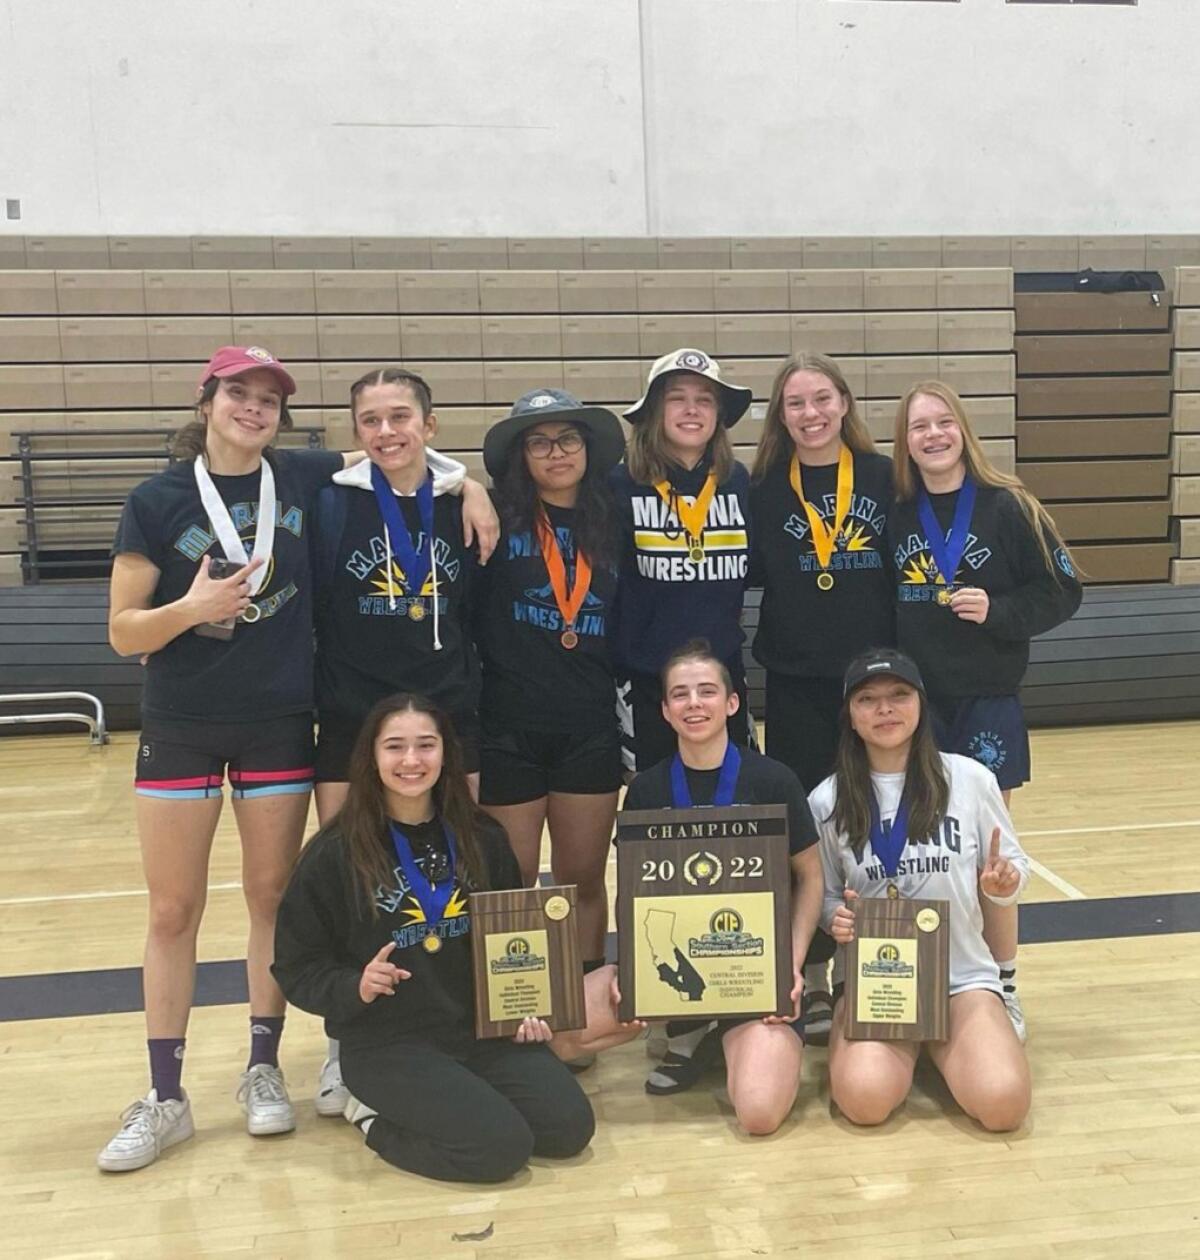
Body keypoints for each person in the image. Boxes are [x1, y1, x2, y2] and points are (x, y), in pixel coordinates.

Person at [98, 347, 496, 1172]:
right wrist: (190, 606)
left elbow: (403, 453)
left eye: (267, 398)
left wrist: (475, 485)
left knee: (274, 899)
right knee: (173, 912)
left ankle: (262, 1068)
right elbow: (123, 631)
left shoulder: (308, 476)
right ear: (206, 400)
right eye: (237, 394)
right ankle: (165, 1095)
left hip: (281, 721)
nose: (253, 409)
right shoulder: (155, 498)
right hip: (180, 722)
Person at [271, 693, 595, 1182]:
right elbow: (296, 966)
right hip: (388, 1044)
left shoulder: (482, 837)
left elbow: (517, 937)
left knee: (570, 1130)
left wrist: (527, 1004)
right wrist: (354, 985)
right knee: (499, 1152)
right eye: (395, 747)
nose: (410, 760)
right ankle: (373, 1119)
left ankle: (463, 1100)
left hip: (478, 1032)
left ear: (445, 755)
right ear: (371, 757)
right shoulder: (334, 854)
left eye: (426, 745)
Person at [308, 366, 493, 1114]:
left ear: (430, 425)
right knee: (353, 886)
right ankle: (344, 1046)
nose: (387, 432)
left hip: (448, 716)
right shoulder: (330, 503)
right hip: (354, 717)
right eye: (371, 420)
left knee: (457, 871)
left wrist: (468, 483)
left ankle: (454, 1027)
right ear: (356, 433)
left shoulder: (460, 503)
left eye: (400, 417)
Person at [890, 380, 1081, 1040]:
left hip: (986, 701)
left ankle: (1000, 981)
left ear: (963, 429)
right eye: (919, 426)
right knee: (919, 852)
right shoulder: (896, 513)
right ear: (905, 441)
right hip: (914, 708)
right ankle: (923, 979)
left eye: (943, 421)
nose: (933, 434)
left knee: (988, 858)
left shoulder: (1007, 506)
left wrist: (998, 613)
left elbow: (1063, 591)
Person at [813, 648, 1032, 1132]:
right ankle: (922, 1046)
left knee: (1003, 1107)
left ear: (921, 705)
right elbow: (823, 895)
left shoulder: (971, 779)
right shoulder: (827, 799)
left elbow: (1012, 865)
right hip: (878, 980)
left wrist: (1003, 883)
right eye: (867, 699)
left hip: (959, 978)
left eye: (898, 695)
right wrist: (835, 918)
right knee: (865, 1103)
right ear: (850, 716)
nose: (885, 708)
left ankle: (943, 1041)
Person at [621, 640, 828, 1134]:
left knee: (758, 1114)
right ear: (666, 710)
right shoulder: (646, 790)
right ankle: (688, 1032)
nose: (694, 703)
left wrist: (791, 966)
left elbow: (812, 878)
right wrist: (636, 973)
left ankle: (728, 1034)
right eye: (680, 694)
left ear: (732, 704)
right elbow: (632, 894)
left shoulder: (774, 779)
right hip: (683, 968)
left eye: (707, 691)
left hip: (754, 971)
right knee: (578, 1025)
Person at [749, 352, 894, 1036]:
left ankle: (866, 966)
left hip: (873, 688)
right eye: (795, 403)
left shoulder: (883, 478)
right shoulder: (762, 488)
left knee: (870, 825)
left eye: (821, 399)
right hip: (796, 685)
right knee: (805, 836)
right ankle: (802, 975)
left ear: (844, 403)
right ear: (781, 416)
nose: (810, 414)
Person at [475, 389, 626, 973]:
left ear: (586, 449)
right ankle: (519, 1004)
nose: (556, 452)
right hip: (508, 727)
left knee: (582, 877)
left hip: (589, 726)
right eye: (539, 442)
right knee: (510, 881)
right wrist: (466, 487)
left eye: (568, 439)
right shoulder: (492, 516)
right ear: (521, 455)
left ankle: (584, 993)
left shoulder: (615, 520)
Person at [609, 349, 754, 771]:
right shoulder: (619, 485)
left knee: (730, 803)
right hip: (647, 682)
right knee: (653, 809)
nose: (692, 410)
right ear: (654, 411)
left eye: (705, 399)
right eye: (677, 398)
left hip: (721, 678)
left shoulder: (738, 482)